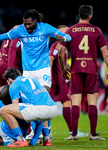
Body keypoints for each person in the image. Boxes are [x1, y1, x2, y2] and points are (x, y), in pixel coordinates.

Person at [0, 9, 71, 145]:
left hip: (43, 70)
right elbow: (0, 37)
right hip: (27, 72)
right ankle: (38, 135)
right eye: (25, 24)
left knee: (42, 101)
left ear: (35, 21)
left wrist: (63, 38)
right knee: (31, 105)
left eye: (29, 24)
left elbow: (68, 37)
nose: (26, 26)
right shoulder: (20, 30)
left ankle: (46, 135)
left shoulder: (45, 28)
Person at [59, 5, 108, 140]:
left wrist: (64, 68)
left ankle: (74, 134)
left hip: (76, 69)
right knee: (92, 102)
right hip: (91, 70)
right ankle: (93, 134)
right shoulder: (96, 30)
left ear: (79, 15)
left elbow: (62, 51)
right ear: (90, 15)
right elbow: (105, 53)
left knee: (75, 102)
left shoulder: (70, 30)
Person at [0, 68, 57, 147]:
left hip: (40, 109)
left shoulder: (14, 84)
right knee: (39, 116)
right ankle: (46, 139)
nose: (8, 84)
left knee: (4, 110)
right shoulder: (33, 80)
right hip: (53, 108)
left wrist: (5, 115)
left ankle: (20, 139)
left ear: (9, 80)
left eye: (8, 82)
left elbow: (15, 106)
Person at [49, 25, 89, 139]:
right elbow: (50, 58)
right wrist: (49, 76)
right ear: (57, 34)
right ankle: (72, 132)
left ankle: (71, 131)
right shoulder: (57, 45)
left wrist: (71, 68)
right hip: (56, 80)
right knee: (66, 103)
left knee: (49, 104)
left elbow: (62, 62)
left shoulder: (63, 46)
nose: (68, 33)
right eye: (65, 32)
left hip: (58, 79)